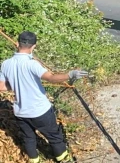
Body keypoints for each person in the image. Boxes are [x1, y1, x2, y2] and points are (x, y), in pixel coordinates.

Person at [0, 31, 88, 163]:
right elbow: (51, 78)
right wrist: (70, 74)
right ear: (33, 46)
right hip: (40, 110)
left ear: (17, 44)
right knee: (54, 136)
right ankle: (63, 159)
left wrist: (17, 85)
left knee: (28, 138)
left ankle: (34, 160)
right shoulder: (32, 64)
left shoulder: (6, 64)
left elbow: (2, 87)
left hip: (21, 112)